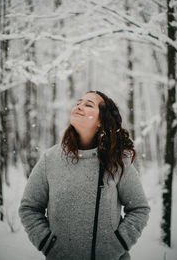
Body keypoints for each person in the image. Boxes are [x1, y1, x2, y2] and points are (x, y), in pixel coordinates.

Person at [19, 90, 150, 260]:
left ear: (101, 121)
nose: (79, 107)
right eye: (78, 102)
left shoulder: (117, 160)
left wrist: (118, 244)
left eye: (88, 105)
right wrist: (49, 245)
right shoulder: (50, 159)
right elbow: (29, 208)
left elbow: (139, 209)